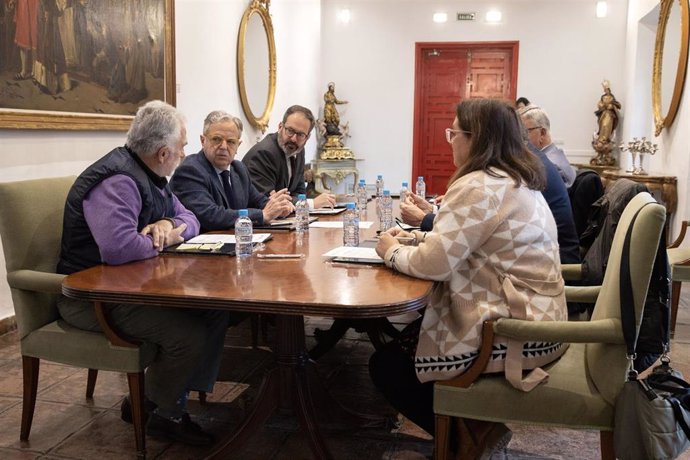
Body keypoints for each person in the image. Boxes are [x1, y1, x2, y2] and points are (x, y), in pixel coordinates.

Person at [370, 99, 568, 458]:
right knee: (407, 343)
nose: (450, 141)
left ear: (476, 138)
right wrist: (416, 238)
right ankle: (472, 431)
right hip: (542, 316)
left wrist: (390, 250)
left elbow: (435, 265)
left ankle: (470, 440)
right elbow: (469, 243)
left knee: (389, 367)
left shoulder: (481, 184)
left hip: (519, 330)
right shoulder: (512, 177)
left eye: (454, 133)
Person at [56, 100, 227, 447]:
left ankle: (151, 401)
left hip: (133, 287)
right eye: (181, 148)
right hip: (94, 298)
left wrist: (168, 224)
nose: (184, 154)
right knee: (188, 335)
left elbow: (190, 218)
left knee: (215, 310)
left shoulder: (152, 174)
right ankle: (162, 415)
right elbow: (118, 249)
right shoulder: (118, 181)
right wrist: (160, 241)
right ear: (163, 153)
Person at [170, 110, 294, 231]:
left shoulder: (239, 169)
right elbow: (210, 216)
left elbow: (258, 200)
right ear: (203, 141)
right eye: (217, 139)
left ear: (238, 146)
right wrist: (262, 215)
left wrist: (278, 207)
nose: (223, 147)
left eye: (231, 142)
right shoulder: (190, 170)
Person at [243, 105, 336, 209]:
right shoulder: (264, 154)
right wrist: (311, 204)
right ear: (280, 127)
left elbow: (299, 192)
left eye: (300, 135)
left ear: (307, 137)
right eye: (290, 131)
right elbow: (268, 202)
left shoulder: (299, 150)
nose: (294, 139)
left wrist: (297, 202)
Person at [519, 105, 576, 188]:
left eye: (524, 132)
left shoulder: (550, 166)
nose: (519, 138)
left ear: (542, 133)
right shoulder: (555, 155)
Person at [594, 80, 621, 146]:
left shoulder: (612, 97)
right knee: (603, 125)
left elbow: (617, 105)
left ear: (609, 90)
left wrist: (612, 106)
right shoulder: (603, 97)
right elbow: (599, 104)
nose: (606, 91)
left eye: (607, 90)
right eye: (605, 90)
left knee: (607, 126)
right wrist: (602, 106)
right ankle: (601, 139)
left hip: (610, 114)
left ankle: (605, 139)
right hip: (603, 114)